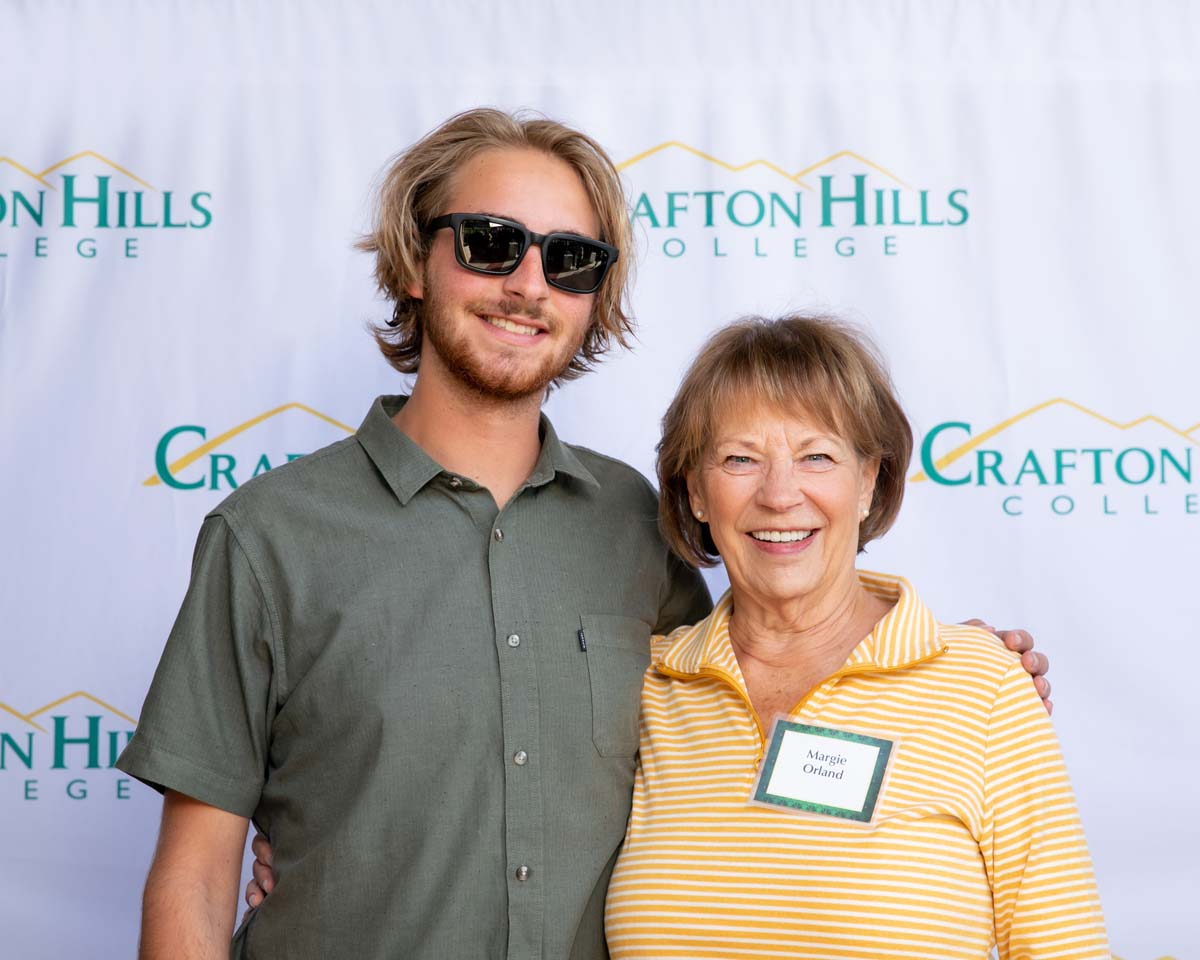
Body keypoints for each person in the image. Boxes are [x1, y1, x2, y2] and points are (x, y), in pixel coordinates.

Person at [117, 109, 1049, 960]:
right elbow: (196, 880)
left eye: (569, 260)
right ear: (414, 259)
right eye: (491, 244)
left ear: (594, 295)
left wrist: (953, 687)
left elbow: (759, 697)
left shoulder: (639, 529)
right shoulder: (269, 536)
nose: (529, 284)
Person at [603, 315, 1107, 958]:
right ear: (696, 491)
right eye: (740, 459)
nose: (781, 494)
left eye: (817, 456)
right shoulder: (650, 687)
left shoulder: (984, 687)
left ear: (868, 480)